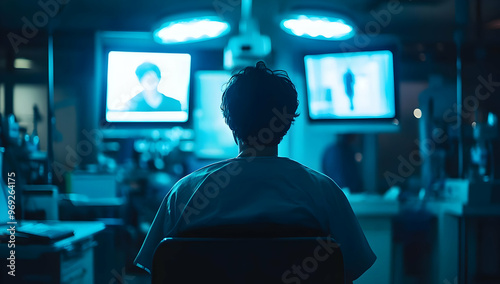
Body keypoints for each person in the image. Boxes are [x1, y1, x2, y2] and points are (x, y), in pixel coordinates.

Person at [134, 61, 376, 282]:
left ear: (230, 122)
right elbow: (347, 270)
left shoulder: (184, 194)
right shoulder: (324, 192)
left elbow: (158, 269)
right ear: (287, 122)